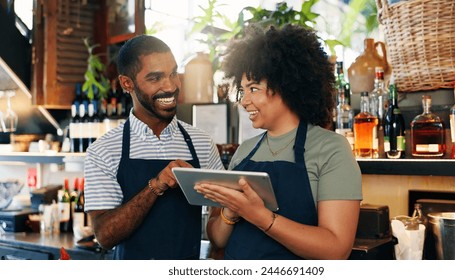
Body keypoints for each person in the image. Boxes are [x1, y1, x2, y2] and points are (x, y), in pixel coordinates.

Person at [195, 24, 362, 260]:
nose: (245, 101)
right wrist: (230, 211)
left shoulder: (331, 149)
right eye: (243, 91)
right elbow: (219, 239)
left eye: (254, 88)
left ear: (286, 86)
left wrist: (259, 216)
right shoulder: (244, 152)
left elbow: (335, 249)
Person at [84, 35, 224, 260]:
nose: (170, 86)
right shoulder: (104, 151)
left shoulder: (201, 143)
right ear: (127, 83)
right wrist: (156, 186)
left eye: (172, 73)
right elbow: (105, 236)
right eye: (155, 78)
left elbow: (220, 223)